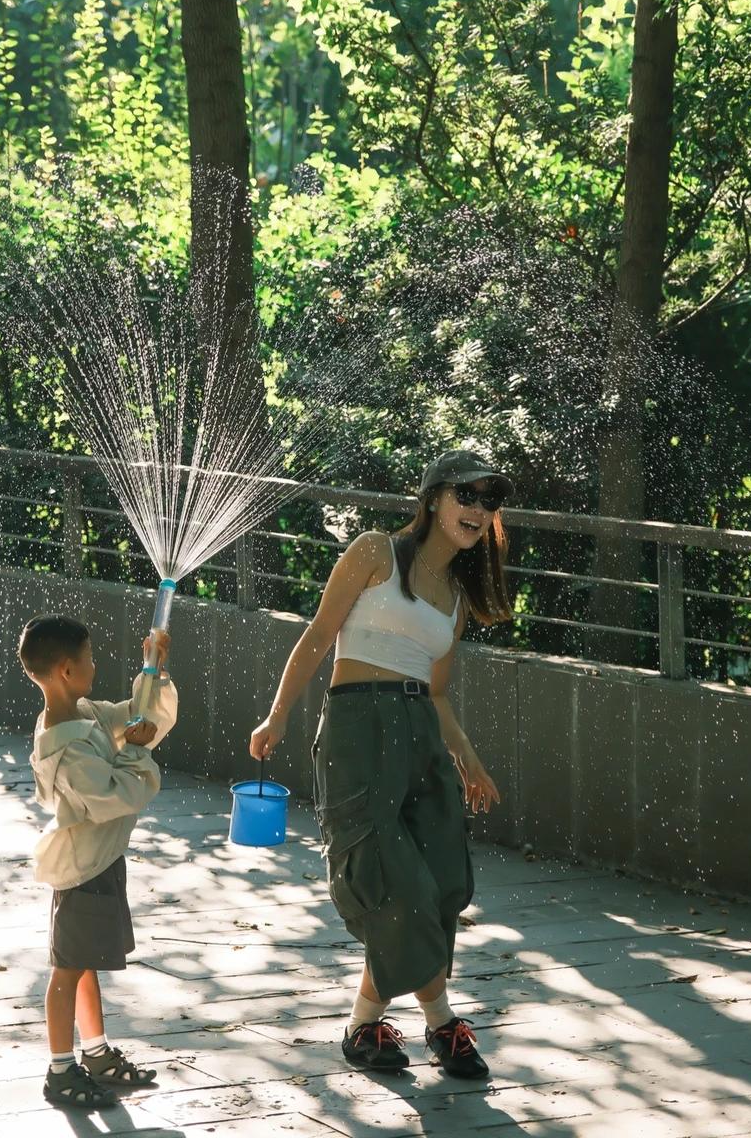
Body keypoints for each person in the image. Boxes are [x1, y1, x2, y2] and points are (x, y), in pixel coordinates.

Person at [249, 449, 513, 1079]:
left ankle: (363, 1025)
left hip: (421, 736)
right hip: (358, 729)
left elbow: (439, 692)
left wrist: (470, 761)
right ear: (432, 499)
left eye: (488, 500)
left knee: (443, 881)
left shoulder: (455, 598)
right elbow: (318, 636)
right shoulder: (375, 552)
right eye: (466, 495)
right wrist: (279, 713)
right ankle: (443, 1023)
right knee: (396, 880)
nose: (477, 509)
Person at [20, 613, 178, 1111]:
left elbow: (136, 718)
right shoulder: (65, 747)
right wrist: (133, 750)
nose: (94, 665)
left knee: (82, 964)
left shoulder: (82, 713)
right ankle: (60, 1069)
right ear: (66, 670)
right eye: (88, 659)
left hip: (99, 860)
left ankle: (96, 1054)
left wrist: (152, 669)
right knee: (67, 969)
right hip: (82, 869)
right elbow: (114, 796)